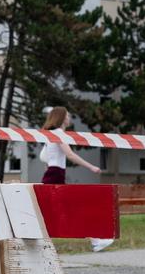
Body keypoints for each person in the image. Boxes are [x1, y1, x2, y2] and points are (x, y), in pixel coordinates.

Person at [39, 107, 115, 252]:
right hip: (55, 175)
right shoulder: (59, 134)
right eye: (67, 115)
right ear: (61, 118)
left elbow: (46, 158)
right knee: (68, 210)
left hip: (52, 174)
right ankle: (96, 239)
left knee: (55, 211)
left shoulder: (50, 134)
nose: (69, 118)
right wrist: (91, 167)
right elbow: (70, 155)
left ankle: (96, 239)